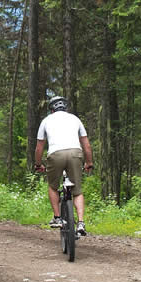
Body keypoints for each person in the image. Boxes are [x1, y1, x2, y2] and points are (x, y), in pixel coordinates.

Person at [34, 96, 94, 236]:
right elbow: (87, 145)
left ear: (51, 109)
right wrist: (89, 162)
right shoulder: (75, 119)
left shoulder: (46, 121)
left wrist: (38, 164)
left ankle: (57, 218)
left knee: (53, 186)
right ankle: (80, 222)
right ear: (65, 107)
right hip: (75, 153)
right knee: (77, 191)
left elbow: (39, 148)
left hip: (56, 155)